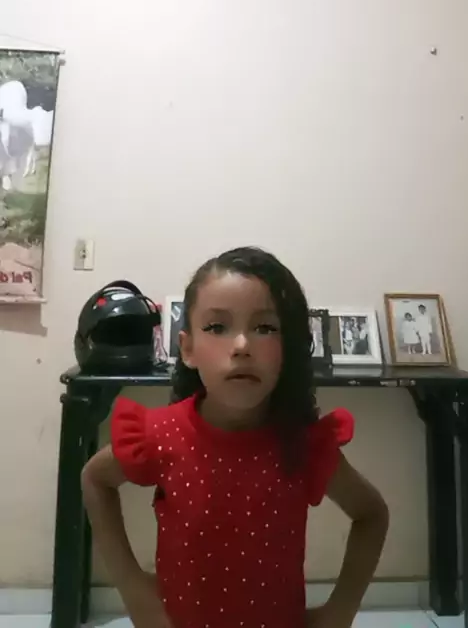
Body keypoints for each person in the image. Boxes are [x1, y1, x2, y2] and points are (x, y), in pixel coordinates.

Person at [82, 246, 389, 628]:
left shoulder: (305, 445)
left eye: (265, 328)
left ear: (287, 349)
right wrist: (132, 589)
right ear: (188, 349)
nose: (242, 346)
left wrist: (340, 612)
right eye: (217, 327)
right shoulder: (161, 434)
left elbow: (371, 514)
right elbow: (95, 479)